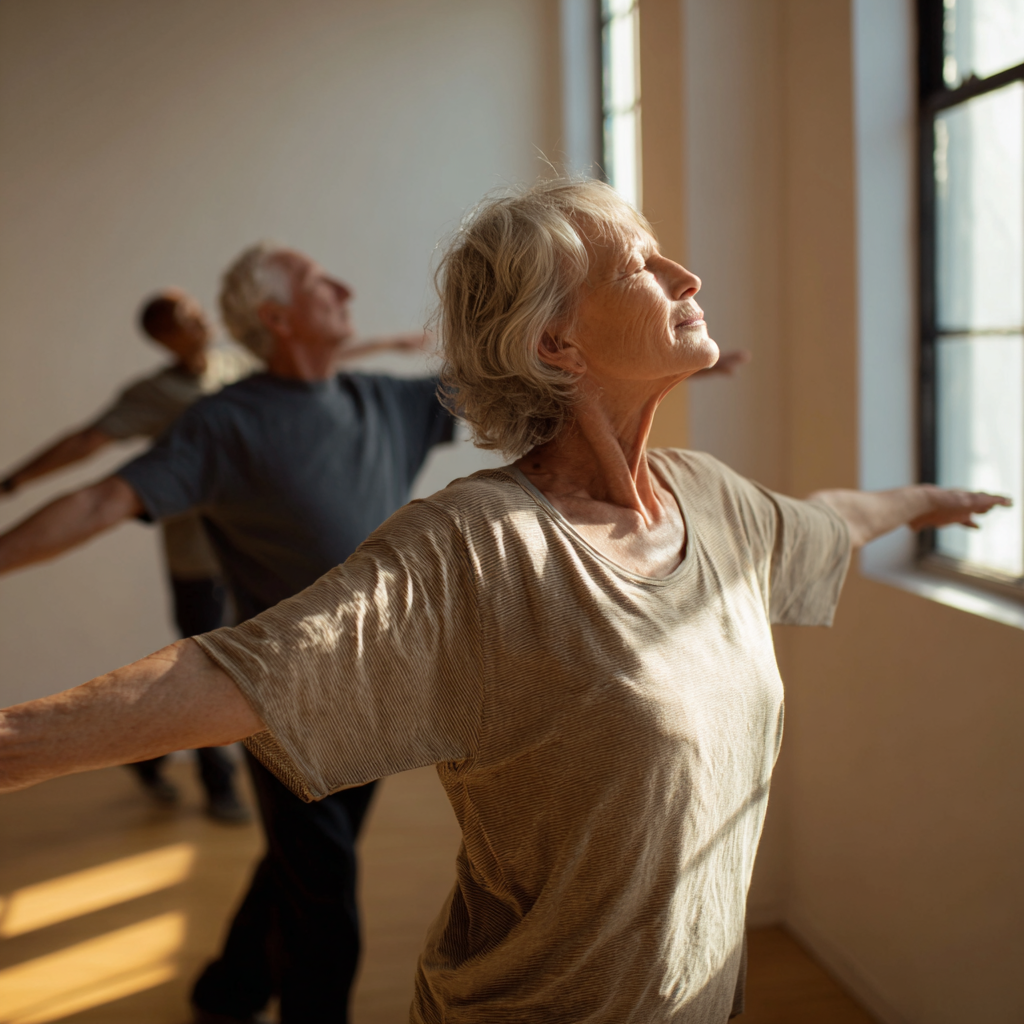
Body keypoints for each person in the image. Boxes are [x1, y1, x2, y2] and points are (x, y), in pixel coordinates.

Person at [0, 179, 1007, 1024]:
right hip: (512, 981)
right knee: (319, 897)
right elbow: (236, 665)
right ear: (558, 345)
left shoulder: (713, 499)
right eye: (640, 266)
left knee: (307, 877)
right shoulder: (471, 545)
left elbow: (819, 519)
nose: (686, 277)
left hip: (701, 996)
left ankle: (226, 985)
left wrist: (921, 500)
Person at [0, 243, 456, 1024]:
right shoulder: (223, 422)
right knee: (325, 903)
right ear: (277, 318)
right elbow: (100, 501)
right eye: (321, 281)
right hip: (282, 696)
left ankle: (230, 989)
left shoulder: (390, 401)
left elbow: (520, 387)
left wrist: (648, 366)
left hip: (381, 688)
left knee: (306, 861)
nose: (346, 283)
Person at [0, 290, 256, 819]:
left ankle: (147, 759)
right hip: (198, 557)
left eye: (196, 310)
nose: (200, 320)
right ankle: (219, 785)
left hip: (254, 546)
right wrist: (16, 478)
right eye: (185, 320)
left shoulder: (239, 362)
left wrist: (386, 344)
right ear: (164, 338)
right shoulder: (152, 392)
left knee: (252, 665)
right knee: (210, 670)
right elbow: (88, 440)